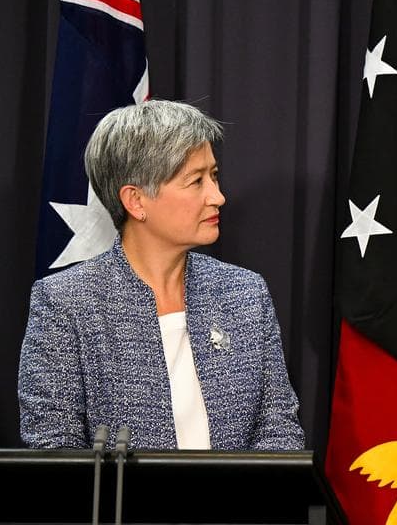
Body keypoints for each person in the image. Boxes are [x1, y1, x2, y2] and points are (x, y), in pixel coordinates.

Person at [18, 99, 305, 450]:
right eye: (196, 181)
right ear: (136, 201)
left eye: (214, 176)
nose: (217, 196)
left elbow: (279, 430)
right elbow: (53, 446)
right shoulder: (66, 303)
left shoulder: (245, 293)